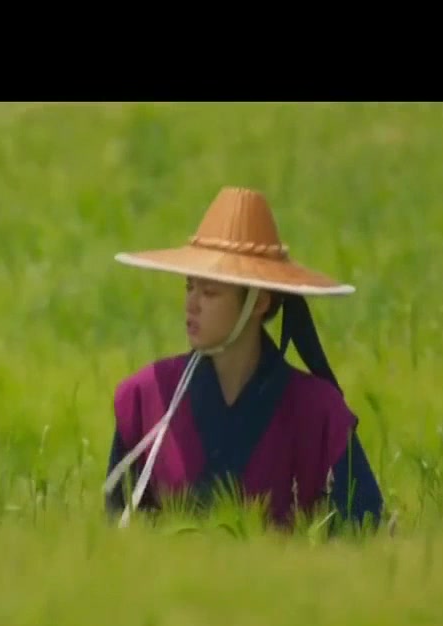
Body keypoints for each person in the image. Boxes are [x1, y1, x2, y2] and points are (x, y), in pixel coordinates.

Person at [102, 186, 384, 533]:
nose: (192, 304)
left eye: (210, 292)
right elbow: (117, 535)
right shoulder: (146, 396)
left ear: (259, 302)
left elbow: (364, 536)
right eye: (189, 287)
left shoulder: (319, 412)